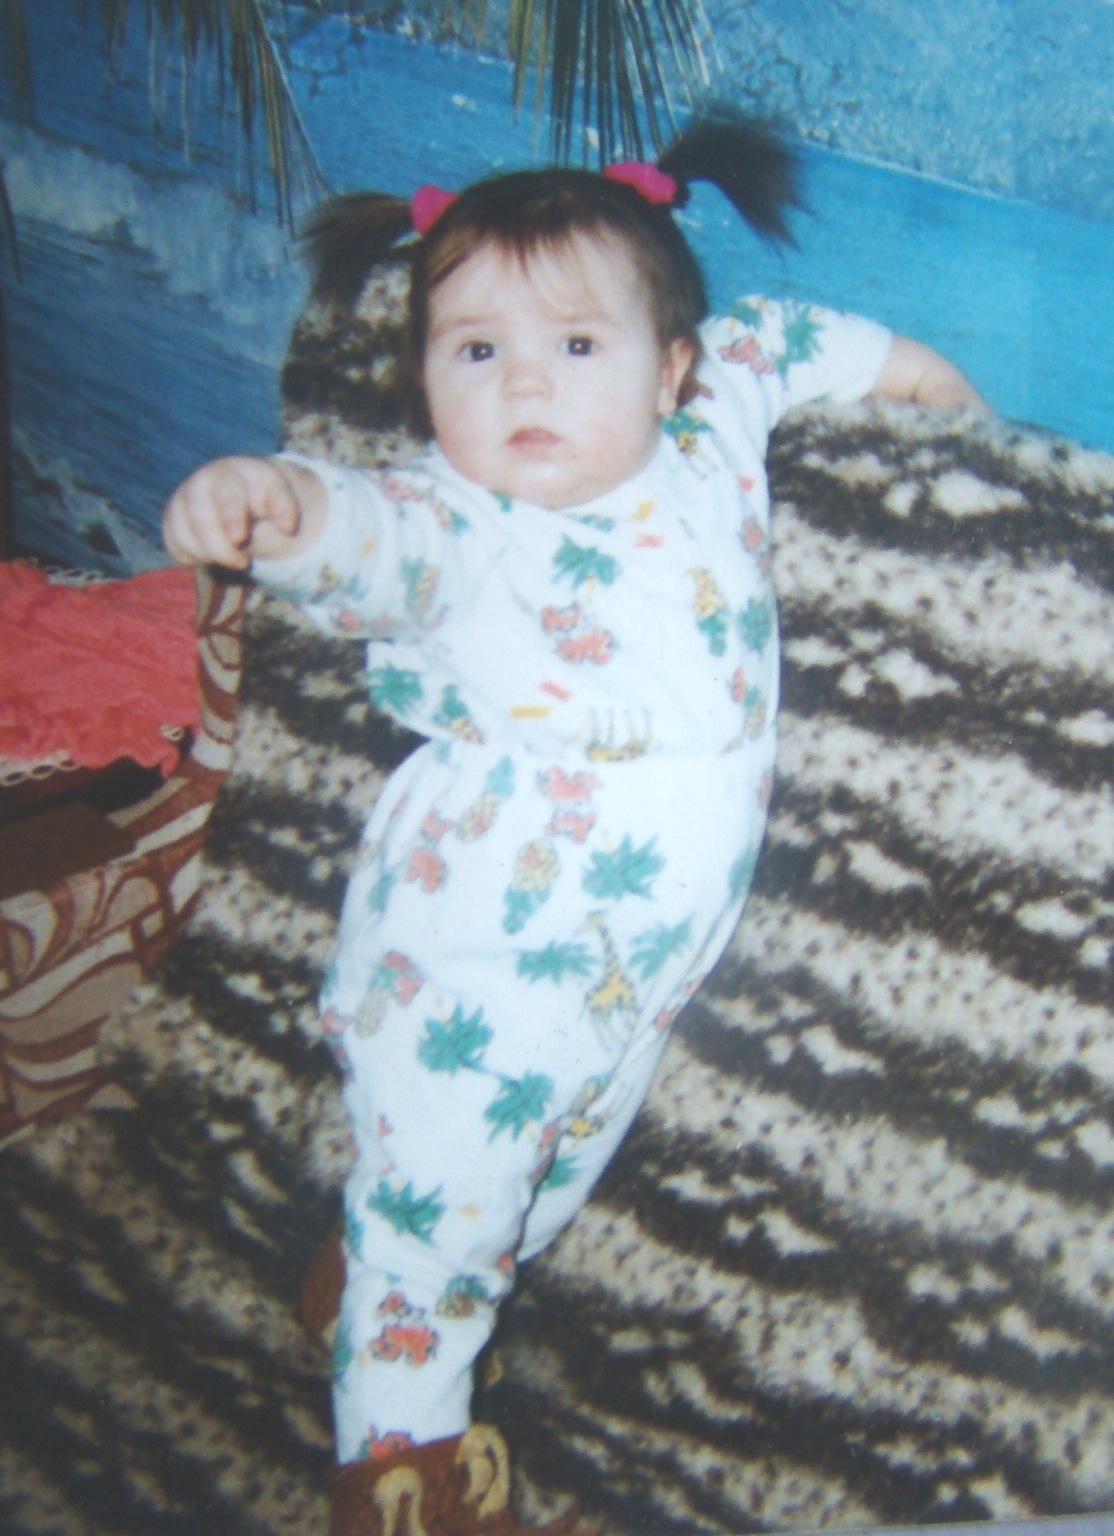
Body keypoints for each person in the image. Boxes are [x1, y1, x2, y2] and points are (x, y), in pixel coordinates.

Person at [163, 115, 987, 1536]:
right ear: (426, 381)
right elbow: (358, 532)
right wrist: (274, 506)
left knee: (538, 1180)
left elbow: (786, 342)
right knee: (461, 1194)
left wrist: (928, 385)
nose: (524, 382)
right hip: (474, 961)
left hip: (622, 976)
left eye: (576, 345)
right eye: (476, 350)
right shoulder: (456, 525)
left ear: (667, 371)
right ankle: (400, 1469)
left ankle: (378, 1287)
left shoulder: (709, 429)